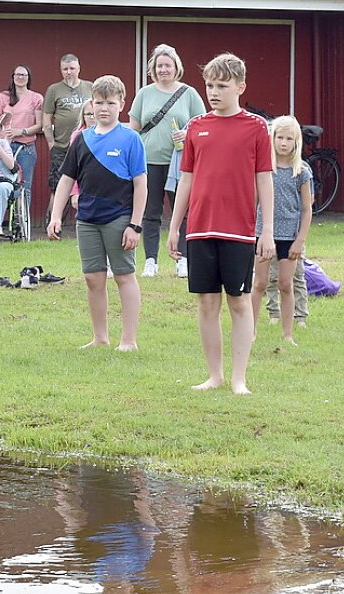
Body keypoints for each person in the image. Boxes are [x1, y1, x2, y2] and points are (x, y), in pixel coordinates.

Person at [167, 53, 274, 394]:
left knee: (239, 300)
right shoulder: (196, 127)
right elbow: (185, 179)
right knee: (206, 302)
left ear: (240, 87)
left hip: (239, 230)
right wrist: (174, 226)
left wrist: (267, 230)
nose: (214, 92)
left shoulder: (257, 127)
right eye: (210, 85)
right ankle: (214, 375)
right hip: (199, 228)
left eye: (222, 86)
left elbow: (265, 180)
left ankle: (239, 379)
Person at [47, 75, 148, 350]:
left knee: (124, 276)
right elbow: (66, 179)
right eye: (100, 102)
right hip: (87, 220)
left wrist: (135, 225)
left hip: (119, 218)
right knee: (93, 278)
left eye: (110, 103)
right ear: (92, 103)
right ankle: (100, 338)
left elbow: (141, 185)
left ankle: (128, 340)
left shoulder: (131, 139)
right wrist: (56, 215)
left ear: (121, 104)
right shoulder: (81, 139)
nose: (104, 108)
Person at [129, 44, 206, 279]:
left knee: (182, 211)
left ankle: (182, 258)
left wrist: (188, 135)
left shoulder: (189, 93)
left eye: (167, 65)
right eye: (159, 65)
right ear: (153, 68)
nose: (163, 70)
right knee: (150, 212)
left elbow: (202, 125)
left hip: (180, 163)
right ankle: (150, 260)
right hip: (149, 162)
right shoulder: (144, 94)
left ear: (176, 67)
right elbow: (134, 128)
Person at [252, 116, 313, 345]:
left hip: (290, 236)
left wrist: (300, 240)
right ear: (273, 138)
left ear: (296, 141)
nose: (284, 143)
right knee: (259, 283)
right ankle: (252, 331)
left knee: (285, 284)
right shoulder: (264, 168)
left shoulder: (302, 171)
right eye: (280, 137)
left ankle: (287, 334)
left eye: (289, 138)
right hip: (263, 234)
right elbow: (254, 201)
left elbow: (307, 209)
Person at [42, 54, 94, 228]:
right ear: (61, 70)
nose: (69, 72)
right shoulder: (54, 90)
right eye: (65, 69)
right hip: (62, 147)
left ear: (79, 68)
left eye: (72, 68)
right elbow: (47, 120)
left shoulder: (90, 87)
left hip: (88, 146)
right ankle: (53, 223)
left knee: (88, 183)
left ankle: (88, 222)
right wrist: (52, 145)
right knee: (57, 185)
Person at [0, 65, 44, 189]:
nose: (20, 77)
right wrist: (4, 117)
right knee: (3, 184)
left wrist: (21, 132)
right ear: (13, 77)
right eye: (18, 74)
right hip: (4, 147)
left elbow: (39, 125)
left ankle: (23, 209)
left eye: (24, 75)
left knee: (24, 186)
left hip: (25, 148)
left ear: (28, 78)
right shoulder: (3, 96)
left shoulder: (36, 98)